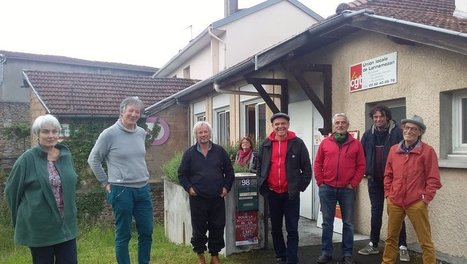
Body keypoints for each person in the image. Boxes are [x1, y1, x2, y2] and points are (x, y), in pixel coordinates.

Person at [88, 96, 153, 264]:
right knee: (123, 234)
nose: (134, 114)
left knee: (146, 231)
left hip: (143, 189)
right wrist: (105, 183)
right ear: (122, 111)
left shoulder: (140, 133)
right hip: (121, 190)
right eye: (130, 110)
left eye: (137, 111)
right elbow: (93, 159)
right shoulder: (109, 134)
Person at [5, 114, 78, 264]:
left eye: (54, 131)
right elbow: (11, 192)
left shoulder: (66, 155)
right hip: (39, 228)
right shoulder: (27, 159)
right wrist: (20, 218)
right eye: (45, 131)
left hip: (66, 226)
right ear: (37, 134)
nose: (50, 135)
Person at [382, 115, 442, 264]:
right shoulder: (394, 150)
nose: (409, 131)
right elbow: (388, 174)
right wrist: (388, 195)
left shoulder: (428, 151)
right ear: (403, 129)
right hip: (395, 201)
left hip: (416, 202)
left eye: (414, 129)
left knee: (425, 241)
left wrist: (425, 199)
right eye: (407, 128)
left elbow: (433, 179)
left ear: (420, 132)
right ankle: (387, 262)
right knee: (391, 238)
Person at [257, 112, 312, 264]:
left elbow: (307, 168)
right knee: (275, 227)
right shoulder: (266, 144)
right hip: (273, 193)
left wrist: (300, 186)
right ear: (273, 126)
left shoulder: (297, 143)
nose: (280, 126)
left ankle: (292, 258)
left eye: (283, 123)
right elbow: (260, 167)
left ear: (288, 125)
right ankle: (280, 255)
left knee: (292, 228)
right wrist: (264, 186)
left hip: (291, 194)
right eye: (277, 124)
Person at [178, 121, 235, 264]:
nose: (203, 135)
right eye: (200, 132)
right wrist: (189, 188)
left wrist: (226, 188)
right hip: (198, 198)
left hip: (217, 197)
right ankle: (200, 255)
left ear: (210, 133)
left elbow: (229, 172)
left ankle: (214, 255)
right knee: (199, 228)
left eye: (205, 132)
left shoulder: (220, 151)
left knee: (217, 226)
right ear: (195, 135)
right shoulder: (189, 153)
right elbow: (182, 174)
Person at [359, 105, 410, 262]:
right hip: (374, 180)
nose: (378, 120)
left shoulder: (398, 133)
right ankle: (373, 243)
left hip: (393, 181)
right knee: (376, 212)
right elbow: (362, 155)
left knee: (396, 213)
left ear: (387, 117)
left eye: (381, 116)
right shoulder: (368, 135)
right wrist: (365, 171)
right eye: (375, 117)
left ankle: (402, 246)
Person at [313, 113, 365, 264]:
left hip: (347, 190)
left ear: (347, 126)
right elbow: (318, 163)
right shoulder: (325, 143)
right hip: (327, 188)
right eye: (337, 123)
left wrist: (353, 184)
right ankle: (326, 253)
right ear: (334, 126)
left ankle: (347, 254)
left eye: (343, 123)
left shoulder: (356, 144)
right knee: (327, 223)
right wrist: (320, 182)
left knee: (348, 223)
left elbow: (361, 166)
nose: (340, 125)